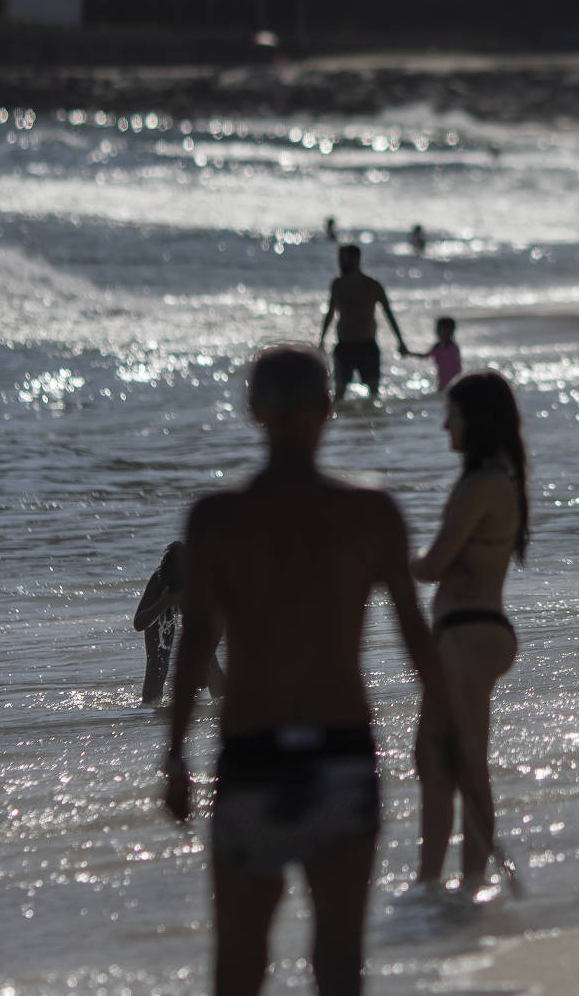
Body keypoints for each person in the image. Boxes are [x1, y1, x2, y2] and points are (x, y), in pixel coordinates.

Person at [161, 346, 453, 996]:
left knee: (239, 965)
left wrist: (175, 754)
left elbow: (197, 639)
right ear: (328, 409)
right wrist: (445, 729)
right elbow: (413, 631)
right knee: (339, 965)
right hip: (340, 756)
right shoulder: (371, 511)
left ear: (252, 411)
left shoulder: (217, 518)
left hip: (251, 758)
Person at [409, 370, 529, 894]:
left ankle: (465, 886)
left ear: (474, 420)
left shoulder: (485, 483)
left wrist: (388, 550)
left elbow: (434, 565)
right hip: (469, 633)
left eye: (451, 416)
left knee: (459, 759)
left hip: (470, 634)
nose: (443, 427)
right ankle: (435, 886)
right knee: (437, 759)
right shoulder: (494, 477)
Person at [135, 540, 225, 706]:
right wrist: (162, 603)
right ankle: (149, 709)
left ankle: (223, 705)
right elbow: (139, 623)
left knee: (209, 661)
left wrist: (204, 662)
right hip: (163, 603)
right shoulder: (160, 580)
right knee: (157, 662)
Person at [317, 245, 407, 401]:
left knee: (373, 394)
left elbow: (388, 314)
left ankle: (372, 422)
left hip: (367, 346)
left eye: (343, 259)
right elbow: (330, 313)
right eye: (339, 259)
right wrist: (321, 340)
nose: (340, 263)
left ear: (355, 259)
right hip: (344, 346)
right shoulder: (338, 284)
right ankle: (339, 423)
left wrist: (400, 341)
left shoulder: (372, 285)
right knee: (339, 394)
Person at [418, 316, 464, 391]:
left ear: (451, 331)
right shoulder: (437, 347)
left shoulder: (453, 347)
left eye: (445, 330)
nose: (441, 332)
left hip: (455, 383)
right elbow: (425, 356)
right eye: (439, 329)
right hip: (442, 384)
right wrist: (410, 353)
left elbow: (457, 368)